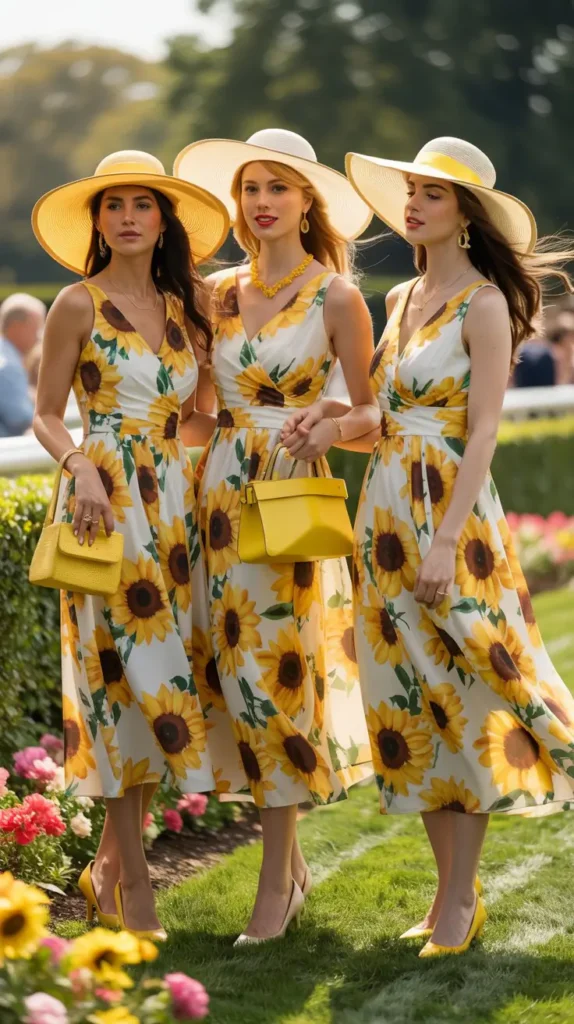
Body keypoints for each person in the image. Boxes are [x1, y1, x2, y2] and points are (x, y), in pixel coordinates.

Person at [289, 136, 574, 957]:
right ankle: (454, 896)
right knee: (410, 703)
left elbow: (483, 428)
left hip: (450, 515)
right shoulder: (405, 294)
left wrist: (447, 539)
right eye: (410, 192)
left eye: (432, 196)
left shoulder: (484, 303)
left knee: (473, 691)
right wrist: (328, 421)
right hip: (382, 512)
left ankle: (457, 902)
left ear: (466, 215)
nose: (413, 205)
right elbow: (380, 412)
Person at [174, 128, 379, 943]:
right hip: (216, 497)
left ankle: (276, 883)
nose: (261, 203)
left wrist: (331, 422)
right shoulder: (212, 294)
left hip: (289, 499)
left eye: (278, 188)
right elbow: (194, 420)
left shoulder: (336, 296)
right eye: (250, 188)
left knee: (275, 681)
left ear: (307, 202)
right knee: (224, 677)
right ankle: (287, 869)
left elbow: (372, 419)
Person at [32, 150, 229, 939]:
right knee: (117, 686)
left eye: (142, 205)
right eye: (112, 206)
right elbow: (47, 414)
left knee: (162, 686)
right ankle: (133, 887)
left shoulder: (191, 309)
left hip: (175, 508)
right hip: (101, 504)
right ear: (99, 221)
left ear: (163, 220)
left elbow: (204, 414)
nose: (126, 218)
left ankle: (109, 869)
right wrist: (79, 465)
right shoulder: (75, 303)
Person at [0, 292, 45, 436]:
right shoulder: (8, 366)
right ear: (17, 326)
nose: (39, 337)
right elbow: (22, 420)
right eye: (37, 328)